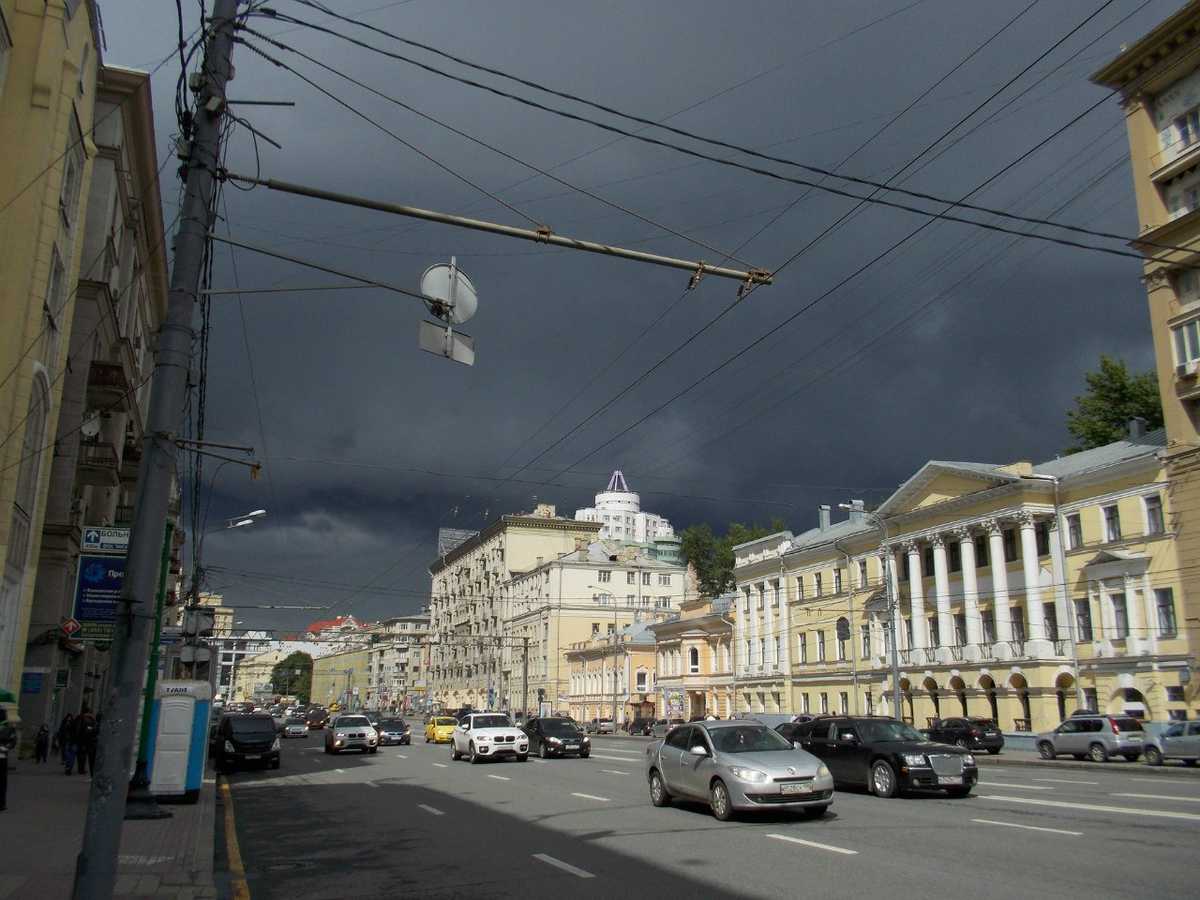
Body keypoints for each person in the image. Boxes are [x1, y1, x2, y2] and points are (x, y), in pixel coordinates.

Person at [73, 708, 98, 776]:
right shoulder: (86, 720)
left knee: (79, 755)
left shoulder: (78, 718)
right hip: (84, 741)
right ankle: (81, 769)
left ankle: (80, 768)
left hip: (81, 740)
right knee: (82, 756)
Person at [0, 706, 16, 810]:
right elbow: (13, 742)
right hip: (2, 756)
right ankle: (1, 804)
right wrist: (4, 748)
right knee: (2, 781)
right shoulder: (10, 727)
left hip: (2, 756)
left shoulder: (9, 727)